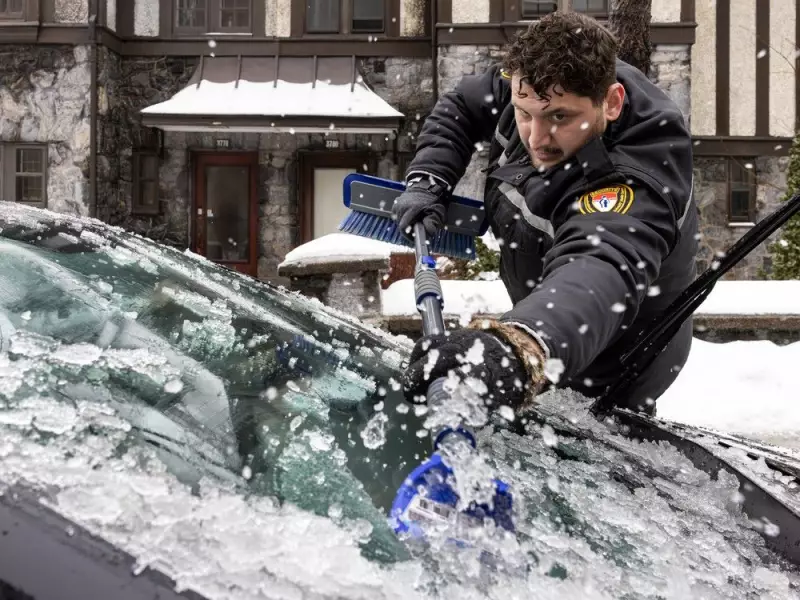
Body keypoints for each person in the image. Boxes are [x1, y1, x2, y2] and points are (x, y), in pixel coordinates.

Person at [393, 11, 698, 416]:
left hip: (610, 371)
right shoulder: (539, 84)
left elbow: (598, 270)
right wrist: (431, 176)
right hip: (541, 325)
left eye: (559, 117)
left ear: (611, 102)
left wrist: (517, 348)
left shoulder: (635, 179)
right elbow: (462, 107)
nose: (536, 139)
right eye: (524, 113)